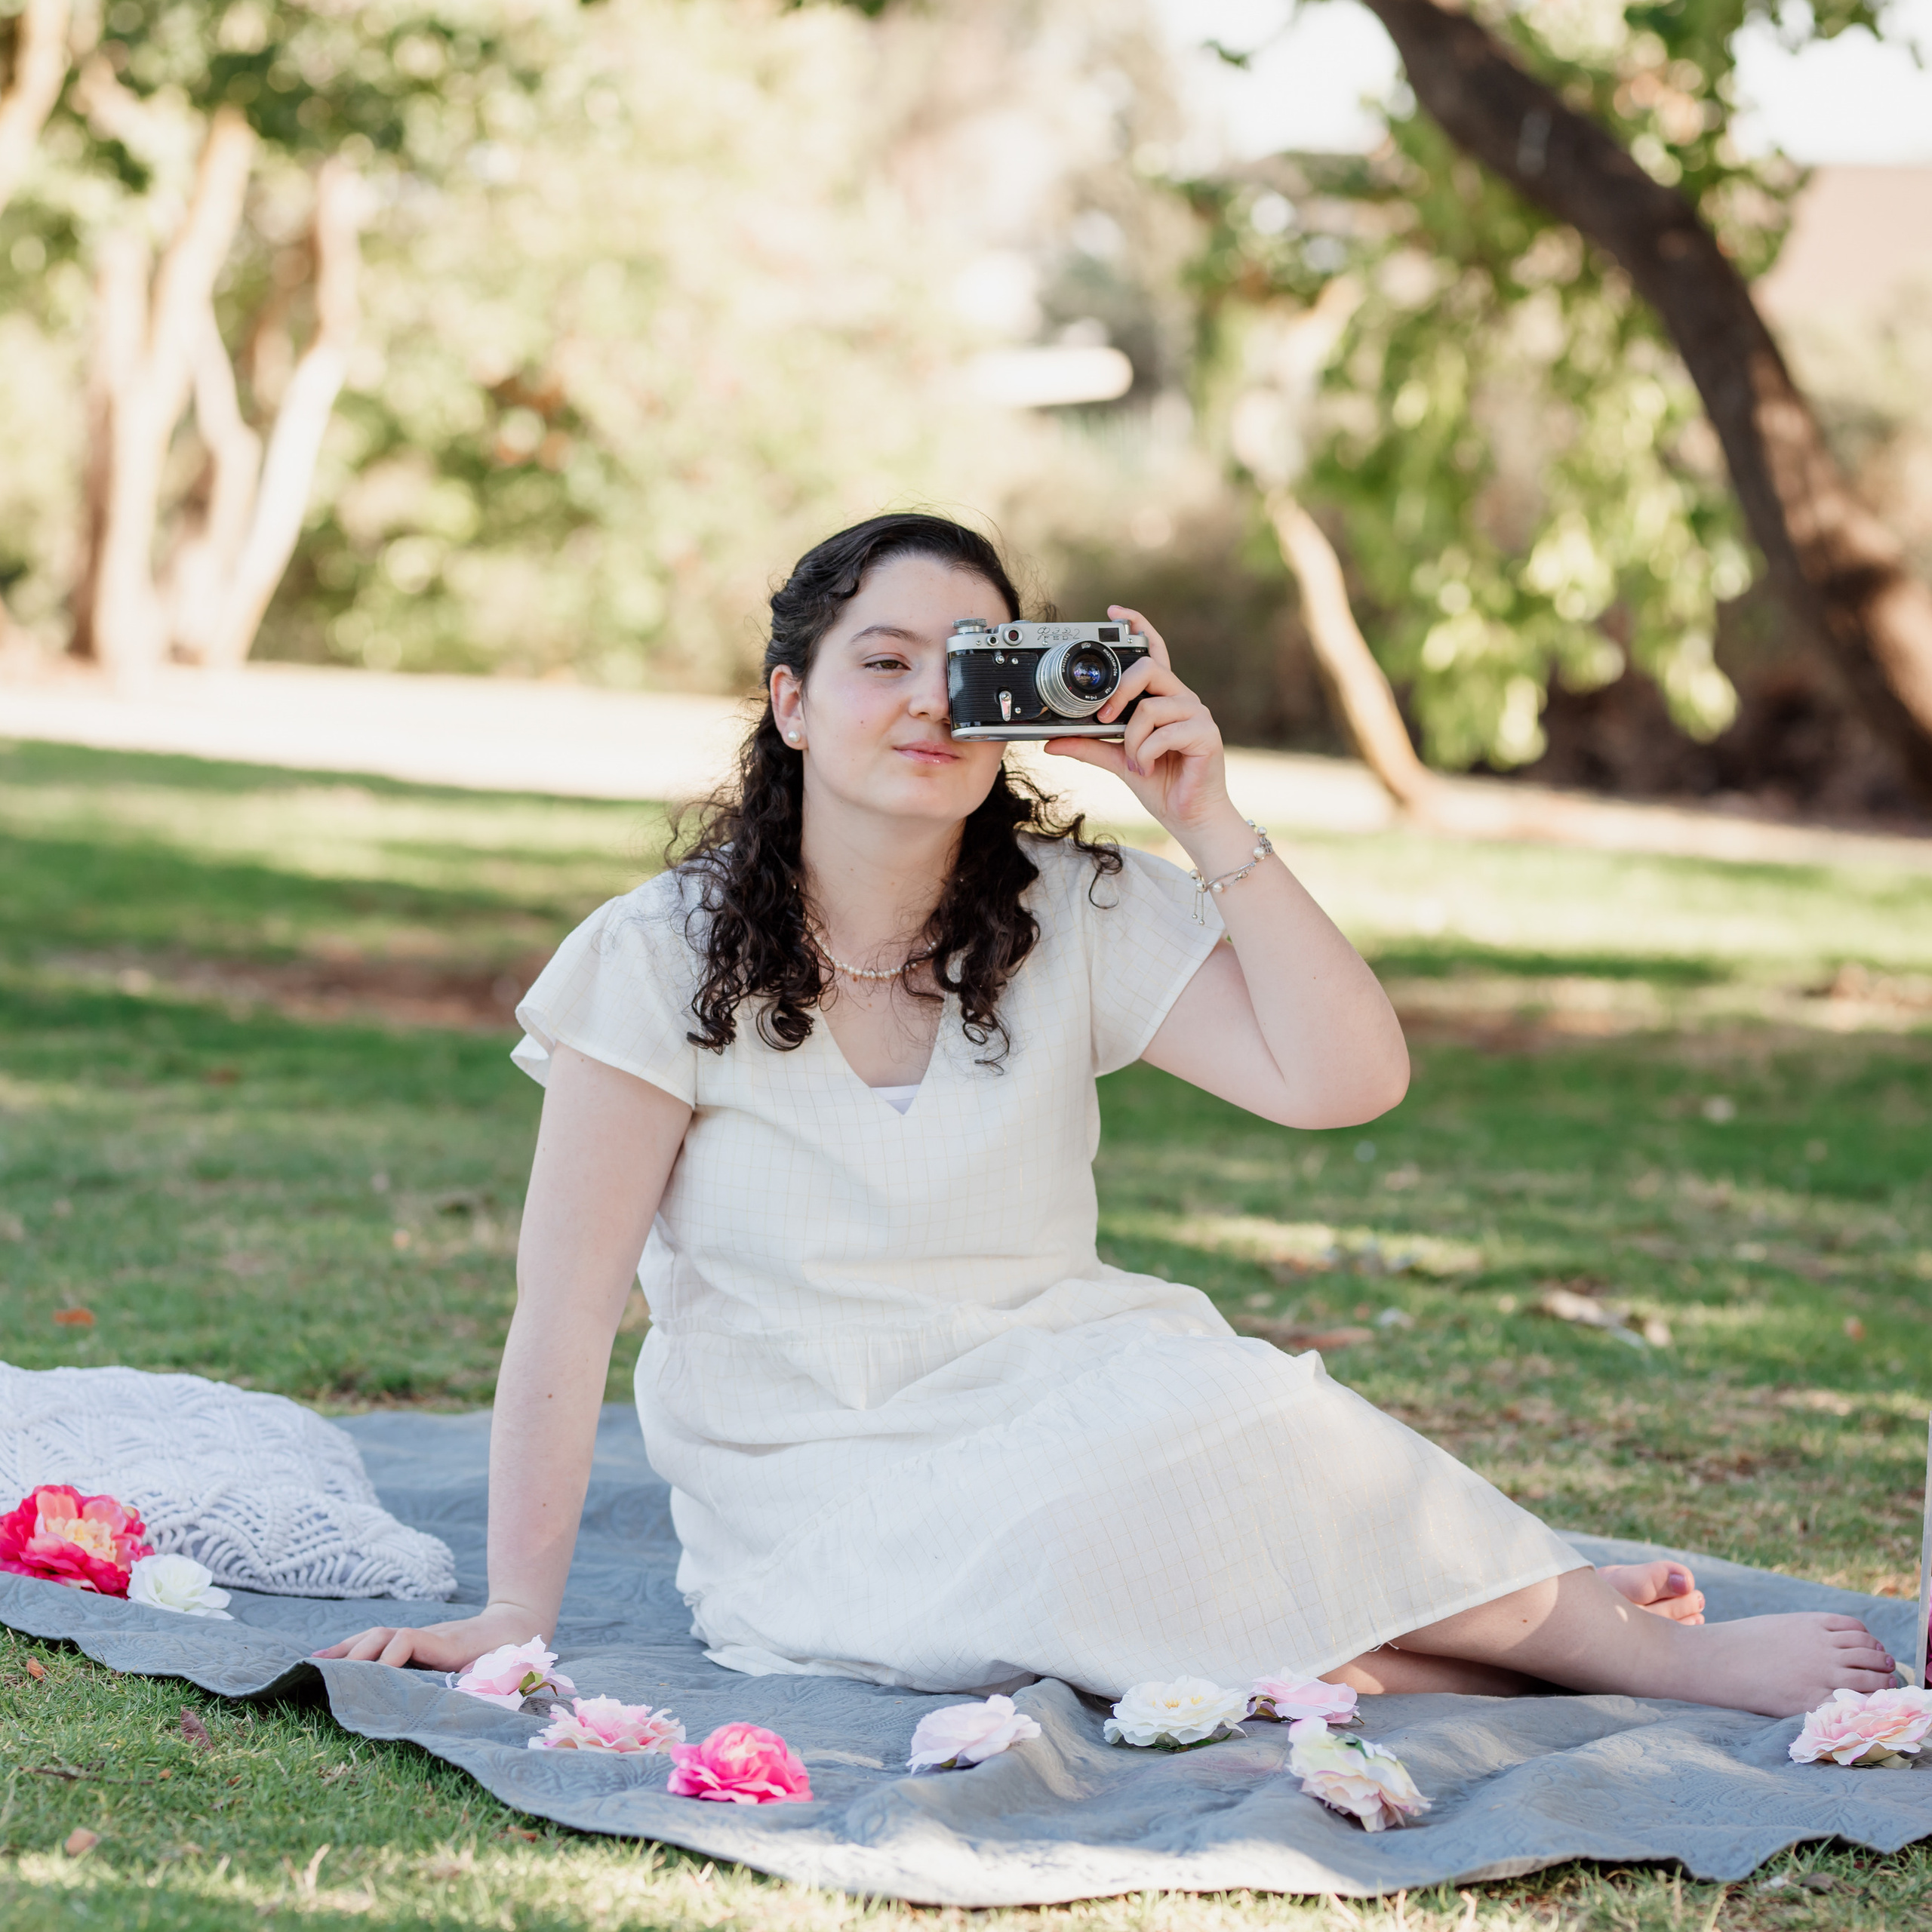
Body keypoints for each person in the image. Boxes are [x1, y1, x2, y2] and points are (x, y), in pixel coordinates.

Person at [321, 512, 1894, 1718]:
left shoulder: (1071, 904)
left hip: (1078, 1389)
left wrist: (1196, 810)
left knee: (1240, 1419)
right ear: (789, 702)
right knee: (1100, 1535)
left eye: (971, 663)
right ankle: (1553, 1634)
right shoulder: (651, 957)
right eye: (880, 661)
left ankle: (1530, 1622)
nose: (927, 699)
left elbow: (1343, 1078)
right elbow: (564, 1312)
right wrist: (515, 1611)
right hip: (825, 1475)